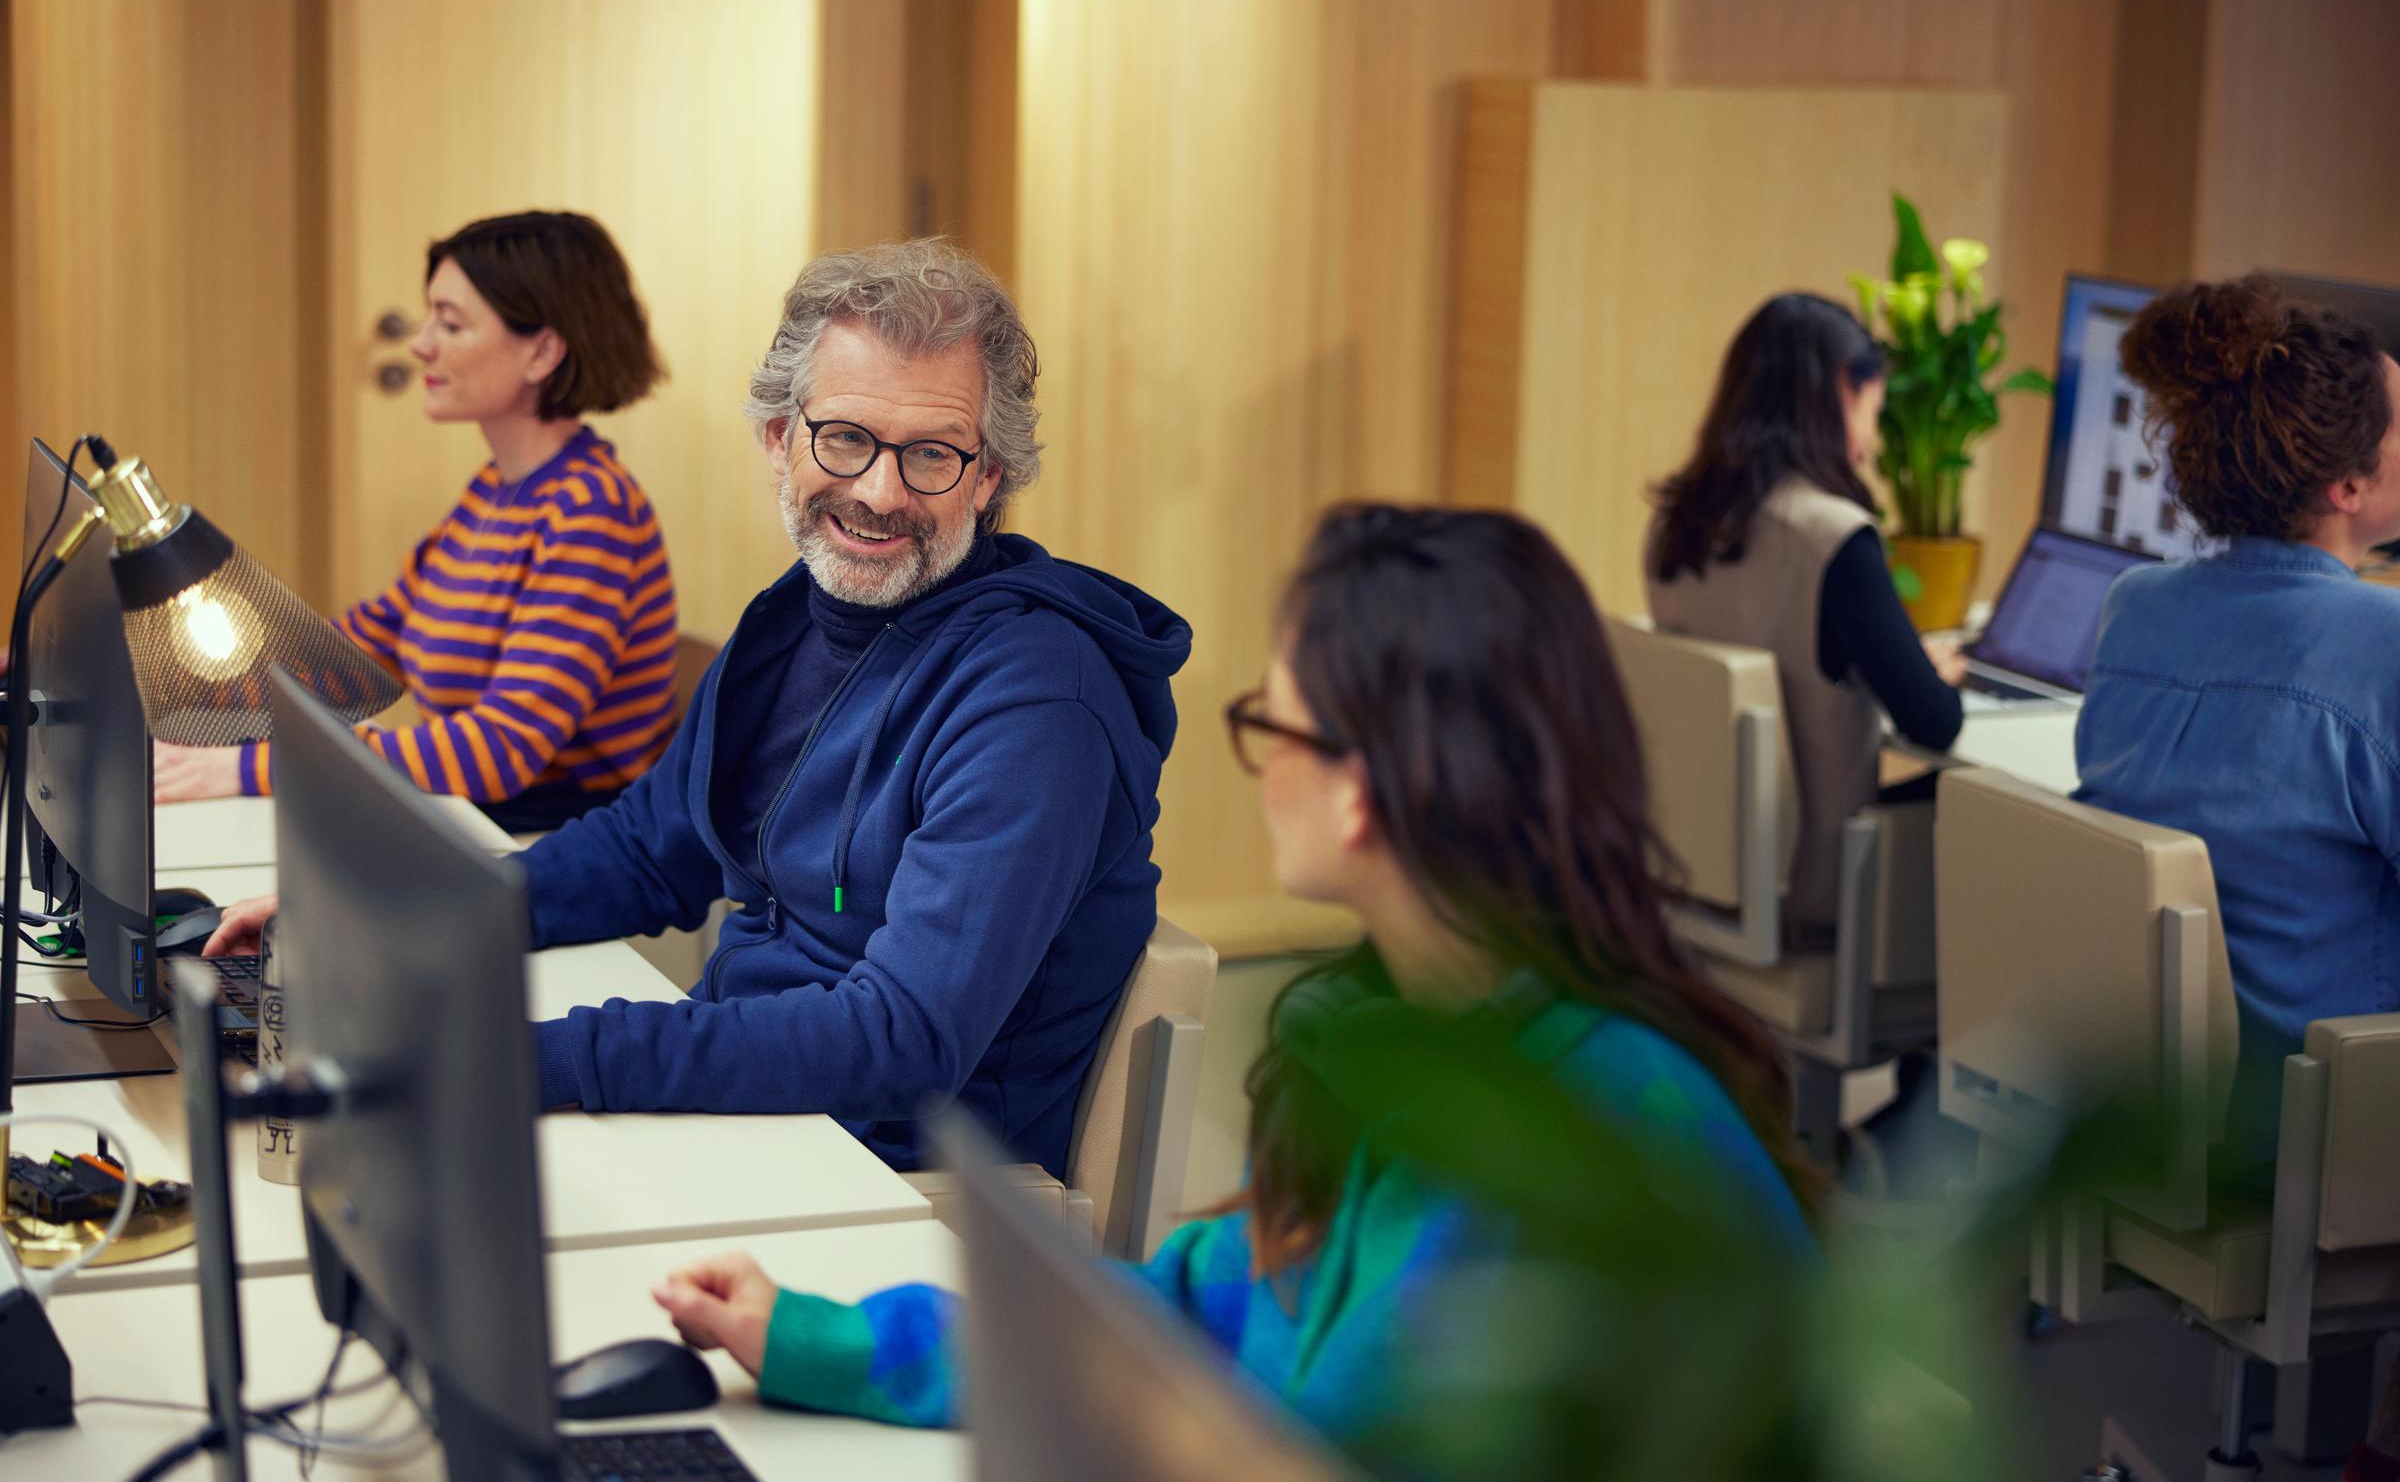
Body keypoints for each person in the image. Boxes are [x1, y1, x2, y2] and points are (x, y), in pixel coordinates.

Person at [645, 504, 1815, 1457]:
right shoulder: (1394, 1039)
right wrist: (819, 1338)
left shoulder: (1605, 1139)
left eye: (1274, 723)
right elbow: (1193, 1308)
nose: (1262, 769)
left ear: (1359, 790)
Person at [208, 237, 1191, 1178]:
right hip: (771, 1114)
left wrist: (530, 1058)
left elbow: (902, 1037)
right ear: (778, 436)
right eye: (845, 439)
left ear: (987, 477)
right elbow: (648, 846)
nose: (880, 492)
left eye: (931, 454)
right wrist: (400, 916)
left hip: (890, 1186)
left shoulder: (1037, 700)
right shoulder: (804, 617)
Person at [2068, 276, 2400, 1482]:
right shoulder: (2382, 647)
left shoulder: (2134, 606)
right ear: (2348, 486)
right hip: (2306, 1131)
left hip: (2159, 1096)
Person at [151, 210, 679, 833]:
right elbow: (360, 652)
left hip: (551, 840)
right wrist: (167, 687)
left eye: (449, 324)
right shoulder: (496, 494)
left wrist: (249, 768)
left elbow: (499, 751)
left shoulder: (592, 513)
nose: (421, 343)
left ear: (541, 351)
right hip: (482, 820)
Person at [1647, 292, 1965, 942]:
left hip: (1698, 878)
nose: (1872, 446)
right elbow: (1933, 721)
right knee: (2004, 811)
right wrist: (1923, 668)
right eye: (1873, 414)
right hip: (1817, 891)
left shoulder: (1675, 521)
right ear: (1843, 391)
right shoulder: (1835, 538)